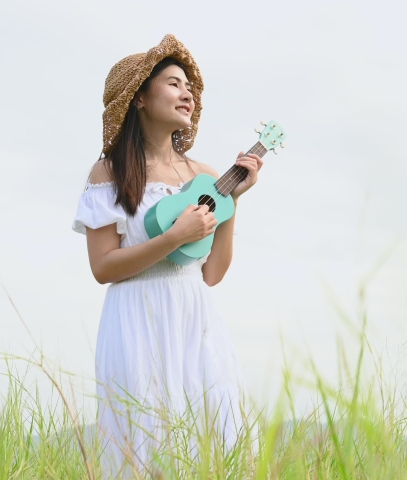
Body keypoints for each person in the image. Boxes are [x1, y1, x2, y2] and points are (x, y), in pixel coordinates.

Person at [71, 34, 263, 476]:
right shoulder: (111, 173)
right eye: (174, 83)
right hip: (136, 317)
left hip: (195, 317)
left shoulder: (206, 175)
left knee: (208, 440)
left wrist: (234, 202)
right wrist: (173, 238)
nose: (187, 93)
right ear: (139, 97)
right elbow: (103, 267)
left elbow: (211, 273)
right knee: (142, 444)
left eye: (190, 87)